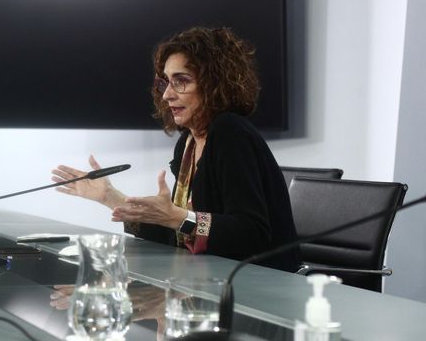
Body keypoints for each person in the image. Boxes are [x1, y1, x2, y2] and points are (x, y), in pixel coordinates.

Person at [53, 27, 299, 272]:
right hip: (206, 280)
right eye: (166, 83)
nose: (168, 95)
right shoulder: (188, 142)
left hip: (257, 289)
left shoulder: (230, 133)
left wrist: (178, 217)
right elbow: (176, 234)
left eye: (181, 81)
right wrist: (111, 198)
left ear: (214, 84)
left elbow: (251, 233)